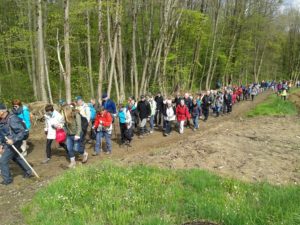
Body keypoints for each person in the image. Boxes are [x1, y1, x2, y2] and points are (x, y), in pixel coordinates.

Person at [0, 103, 32, 185]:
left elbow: (21, 132)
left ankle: (7, 180)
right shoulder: (1, 120)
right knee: (16, 157)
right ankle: (28, 171)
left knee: (3, 160)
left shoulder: (12, 119)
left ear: (2, 111)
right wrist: (1, 144)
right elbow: (1, 134)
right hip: (7, 142)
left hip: (15, 141)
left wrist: (13, 140)